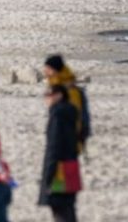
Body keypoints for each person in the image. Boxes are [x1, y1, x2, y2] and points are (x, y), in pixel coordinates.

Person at [39, 85, 81, 222]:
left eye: (49, 94)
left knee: (60, 210)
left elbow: (54, 147)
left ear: (59, 95)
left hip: (59, 170)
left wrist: (48, 177)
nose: (46, 98)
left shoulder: (57, 116)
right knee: (68, 209)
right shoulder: (71, 113)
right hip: (71, 165)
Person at [43, 55, 92, 154]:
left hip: (66, 147)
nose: (45, 72)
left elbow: (74, 119)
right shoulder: (58, 86)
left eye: (48, 69)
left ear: (55, 70)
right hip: (62, 144)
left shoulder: (69, 91)